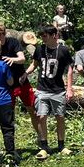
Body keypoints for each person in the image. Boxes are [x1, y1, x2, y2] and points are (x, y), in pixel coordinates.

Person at [0, 23, 40, 137]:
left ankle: (41, 137)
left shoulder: (13, 42)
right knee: (8, 116)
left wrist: (13, 59)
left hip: (21, 81)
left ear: (4, 34)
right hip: (5, 87)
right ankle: (8, 142)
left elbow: (22, 58)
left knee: (32, 110)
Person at [25, 27, 73, 159]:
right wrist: (25, 73)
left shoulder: (63, 50)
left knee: (60, 117)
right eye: (41, 36)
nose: (42, 38)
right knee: (41, 117)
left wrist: (69, 88)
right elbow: (34, 64)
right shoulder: (40, 49)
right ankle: (44, 146)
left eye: (45, 36)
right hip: (42, 89)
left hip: (58, 90)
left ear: (54, 35)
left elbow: (69, 69)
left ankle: (61, 145)